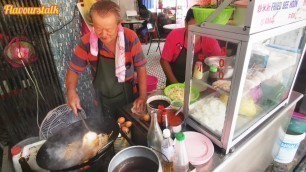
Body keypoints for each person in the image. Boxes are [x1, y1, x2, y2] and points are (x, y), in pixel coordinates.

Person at [66, 1, 147, 116]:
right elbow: (73, 69)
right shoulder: (86, 42)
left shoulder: (130, 38)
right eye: (98, 28)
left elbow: (141, 68)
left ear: (119, 23)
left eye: (109, 29)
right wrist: (71, 91)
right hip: (102, 100)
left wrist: (142, 96)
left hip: (129, 98)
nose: (103, 34)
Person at [160, 8, 222, 85]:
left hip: (200, 84)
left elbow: (219, 63)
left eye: (201, 26)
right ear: (186, 23)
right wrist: (176, 86)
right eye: (195, 27)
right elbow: (164, 61)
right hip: (175, 82)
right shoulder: (175, 35)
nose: (198, 30)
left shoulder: (210, 40)